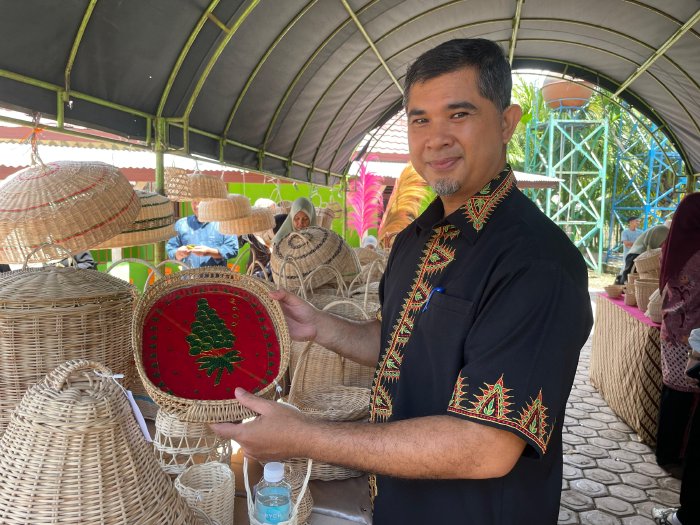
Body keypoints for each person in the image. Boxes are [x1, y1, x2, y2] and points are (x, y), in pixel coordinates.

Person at [212, 38, 592, 524]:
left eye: (459, 114)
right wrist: (320, 327)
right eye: (420, 119)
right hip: (396, 506)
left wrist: (304, 436)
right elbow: (402, 343)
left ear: (506, 122)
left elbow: (487, 446)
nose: (435, 138)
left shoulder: (537, 262)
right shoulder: (418, 237)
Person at [652, 193, 700, 525]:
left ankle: (666, 451)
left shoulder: (678, 245)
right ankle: (673, 454)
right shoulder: (698, 252)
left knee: (673, 392)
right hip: (692, 334)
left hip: (672, 328)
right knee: (683, 397)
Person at [166, 201, 238, 268]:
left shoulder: (224, 223)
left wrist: (209, 252)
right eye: (194, 202)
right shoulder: (181, 224)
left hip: (216, 278)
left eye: (200, 201)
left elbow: (232, 249)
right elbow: (170, 250)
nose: (197, 206)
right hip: (189, 279)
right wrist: (178, 254)